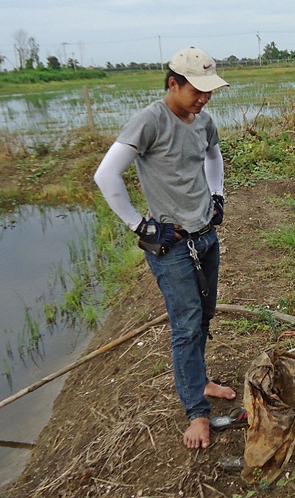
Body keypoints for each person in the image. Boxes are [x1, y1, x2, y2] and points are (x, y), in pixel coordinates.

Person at [94, 46, 234, 450]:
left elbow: (213, 156)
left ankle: (199, 378)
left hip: (205, 233)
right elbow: (107, 175)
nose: (203, 98)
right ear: (173, 83)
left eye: (209, 91)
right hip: (171, 245)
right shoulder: (150, 121)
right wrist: (141, 225)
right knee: (187, 323)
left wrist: (217, 195)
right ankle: (196, 411)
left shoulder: (203, 121)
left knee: (205, 313)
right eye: (196, 90)